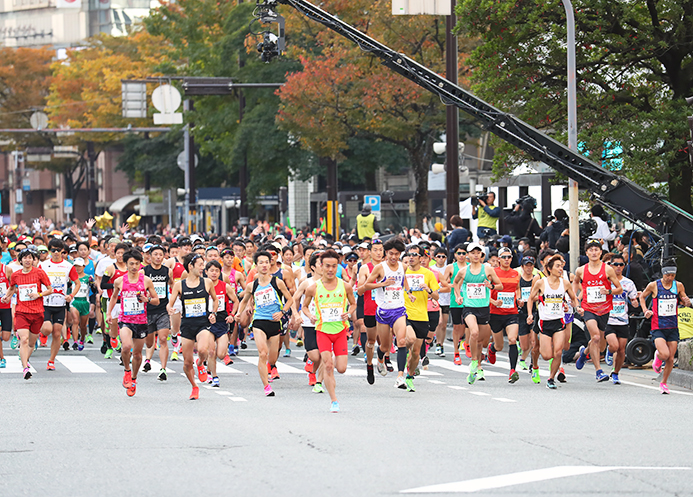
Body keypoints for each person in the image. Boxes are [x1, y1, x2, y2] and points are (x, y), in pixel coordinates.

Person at [302, 250, 356, 412]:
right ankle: (334, 400)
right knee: (328, 365)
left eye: (334, 266)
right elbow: (304, 306)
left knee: (341, 368)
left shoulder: (345, 286)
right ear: (321, 266)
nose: (330, 269)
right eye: (327, 266)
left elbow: (353, 304)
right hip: (322, 331)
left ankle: (331, 381)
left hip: (340, 332)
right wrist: (310, 315)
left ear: (338, 266)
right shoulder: (313, 288)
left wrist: (349, 313)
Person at [235, 250, 294, 396]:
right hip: (259, 321)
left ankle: (270, 366)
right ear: (256, 265)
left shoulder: (277, 282)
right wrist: (238, 313)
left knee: (272, 358)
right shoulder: (252, 285)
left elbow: (290, 299)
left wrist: (282, 312)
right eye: (261, 262)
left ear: (270, 263)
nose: (264, 265)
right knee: (263, 353)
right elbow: (243, 301)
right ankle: (266, 386)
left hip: (274, 322)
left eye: (266, 262)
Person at [107, 250, 159, 397]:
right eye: (131, 263)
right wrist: (109, 313)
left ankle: (134, 379)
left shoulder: (146, 280)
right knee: (126, 347)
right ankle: (127, 371)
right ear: (126, 264)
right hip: (125, 320)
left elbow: (156, 300)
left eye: (137, 263)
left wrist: (147, 299)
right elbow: (113, 298)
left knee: (137, 354)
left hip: (141, 321)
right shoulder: (119, 281)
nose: (134, 266)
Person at [167, 253, 219, 400]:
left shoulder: (207, 282)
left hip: (203, 323)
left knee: (203, 350)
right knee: (186, 362)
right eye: (200, 265)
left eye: (203, 264)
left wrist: (213, 313)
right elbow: (169, 303)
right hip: (187, 325)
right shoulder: (180, 285)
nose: (203, 268)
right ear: (190, 266)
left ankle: (201, 363)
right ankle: (194, 387)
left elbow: (215, 300)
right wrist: (170, 309)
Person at [452, 242, 502, 384]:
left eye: (477, 253)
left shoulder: (488, 270)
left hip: (484, 308)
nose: (475, 255)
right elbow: (456, 283)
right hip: (469, 308)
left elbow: (500, 285)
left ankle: (479, 366)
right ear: (468, 255)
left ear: (481, 254)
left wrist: (490, 286)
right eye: (472, 253)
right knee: (474, 333)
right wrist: (458, 296)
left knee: (483, 341)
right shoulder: (464, 271)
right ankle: (474, 361)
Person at [573, 240, 623, 382]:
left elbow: (619, 289)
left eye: (596, 250)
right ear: (586, 252)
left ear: (601, 252)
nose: (594, 252)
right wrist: (576, 300)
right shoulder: (581, 270)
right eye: (591, 250)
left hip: (604, 309)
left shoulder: (608, 269)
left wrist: (608, 291)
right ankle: (598, 371)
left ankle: (584, 352)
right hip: (588, 309)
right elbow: (575, 282)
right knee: (594, 337)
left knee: (601, 346)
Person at [526, 254, 579, 389]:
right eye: (557, 266)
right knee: (546, 355)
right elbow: (531, 298)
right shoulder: (541, 282)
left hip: (559, 321)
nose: (560, 269)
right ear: (549, 268)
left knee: (558, 352)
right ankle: (540, 365)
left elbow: (574, 299)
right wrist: (530, 314)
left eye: (561, 266)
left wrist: (574, 306)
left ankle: (551, 378)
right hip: (545, 322)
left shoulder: (565, 283)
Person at [363, 237, 412, 383]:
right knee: (385, 346)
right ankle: (379, 358)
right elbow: (366, 285)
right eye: (391, 253)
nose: (393, 257)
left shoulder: (403, 266)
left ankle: (400, 376)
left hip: (399, 309)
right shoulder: (380, 268)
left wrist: (409, 292)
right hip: (384, 311)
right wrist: (382, 283)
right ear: (386, 253)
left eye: (397, 254)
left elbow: (404, 280)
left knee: (402, 341)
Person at [639, 263, 692, 394]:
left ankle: (663, 383)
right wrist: (645, 310)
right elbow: (642, 297)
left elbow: (685, 300)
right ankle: (658, 356)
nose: (670, 278)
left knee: (670, 358)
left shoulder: (678, 285)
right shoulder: (654, 285)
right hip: (658, 326)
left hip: (673, 326)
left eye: (673, 275)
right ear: (663, 274)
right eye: (668, 275)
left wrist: (686, 302)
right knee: (664, 354)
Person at [4, 249, 53, 380]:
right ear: (20, 260)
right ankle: (25, 367)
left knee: (31, 343)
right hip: (21, 312)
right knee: (23, 339)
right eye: (25, 258)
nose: (27, 260)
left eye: (30, 257)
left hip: (37, 312)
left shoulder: (40, 273)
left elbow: (50, 289)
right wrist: (7, 297)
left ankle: (25, 358)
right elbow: (12, 287)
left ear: (33, 260)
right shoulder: (16, 275)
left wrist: (39, 294)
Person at [39, 238, 81, 370]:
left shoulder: (68, 266)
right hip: (45, 303)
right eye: (53, 250)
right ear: (49, 251)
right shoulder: (43, 265)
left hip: (60, 304)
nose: (56, 253)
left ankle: (51, 360)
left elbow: (77, 283)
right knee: (47, 329)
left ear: (62, 251)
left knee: (57, 333)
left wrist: (71, 295)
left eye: (59, 250)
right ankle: (39, 332)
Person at [403, 244, 439, 390]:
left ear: (420, 258)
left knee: (417, 352)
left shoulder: (428, 273)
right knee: (409, 339)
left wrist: (428, 289)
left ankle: (410, 376)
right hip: (404, 313)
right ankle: (401, 351)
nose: (411, 257)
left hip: (422, 315)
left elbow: (436, 295)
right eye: (409, 255)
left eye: (414, 255)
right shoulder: (402, 271)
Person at [603, 253, 639, 385]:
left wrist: (634, 302)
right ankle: (609, 350)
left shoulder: (628, 283)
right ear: (610, 266)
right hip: (608, 319)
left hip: (623, 319)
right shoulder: (605, 281)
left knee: (622, 349)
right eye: (615, 264)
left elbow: (633, 298)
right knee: (614, 345)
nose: (618, 267)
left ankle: (615, 373)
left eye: (621, 264)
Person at [489, 247, 521, 383]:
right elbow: (485, 291)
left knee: (513, 340)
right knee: (499, 346)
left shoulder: (516, 274)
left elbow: (517, 288)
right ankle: (492, 348)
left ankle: (512, 370)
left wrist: (518, 299)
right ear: (499, 259)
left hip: (511, 313)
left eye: (509, 257)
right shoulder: (492, 273)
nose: (506, 259)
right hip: (495, 313)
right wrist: (493, 301)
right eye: (504, 257)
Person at [205, 260, 239, 387]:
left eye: (217, 271)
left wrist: (232, 315)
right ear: (206, 272)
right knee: (211, 351)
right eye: (211, 270)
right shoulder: (202, 286)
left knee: (221, 354)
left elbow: (236, 301)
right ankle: (214, 376)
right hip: (207, 322)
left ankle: (208, 368)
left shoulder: (225, 286)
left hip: (222, 321)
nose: (214, 273)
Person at [143, 244, 174, 381]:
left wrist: (172, 302)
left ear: (164, 257)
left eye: (160, 255)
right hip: (148, 310)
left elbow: (172, 285)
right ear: (149, 256)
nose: (158, 257)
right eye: (155, 254)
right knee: (149, 343)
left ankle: (163, 369)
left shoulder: (168, 271)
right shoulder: (144, 272)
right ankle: (148, 359)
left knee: (162, 339)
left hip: (163, 309)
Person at [357, 239, 386, 383]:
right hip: (370, 308)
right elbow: (360, 290)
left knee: (385, 340)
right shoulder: (365, 268)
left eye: (381, 250)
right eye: (375, 250)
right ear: (370, 252)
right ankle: (369, 365)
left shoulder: (388, 266)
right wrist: (376, 284)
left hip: (386, 308)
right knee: (371, 340)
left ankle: (381, 357)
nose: (378, 253)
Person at [443, 244, 468, 365]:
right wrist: (452, 285)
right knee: (457, 326)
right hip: (455, 301)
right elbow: (442, 282)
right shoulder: (451, 267)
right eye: (459, 253)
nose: (462, 256)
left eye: (464, 253)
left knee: (469, 325)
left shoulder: (471, 267)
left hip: (469, 301)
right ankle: (456, 352)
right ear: (455, 255)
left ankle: (467, 343)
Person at [0, 256, 13, 369]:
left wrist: (8, 296)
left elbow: (13, 287)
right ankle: (2, 358)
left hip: (5, 307)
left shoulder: (7, 270)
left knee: (5, 337)